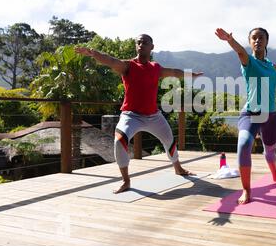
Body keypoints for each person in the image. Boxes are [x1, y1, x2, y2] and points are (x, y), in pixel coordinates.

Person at [75, 34, 203, 194]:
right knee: (119, 141)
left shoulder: (155, 68)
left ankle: (178, 168)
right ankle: (126, 181)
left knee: (169, 140)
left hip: (154, 116)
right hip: (131, 116)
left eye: (145, 42)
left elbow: (173, 72)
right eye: (138, 42)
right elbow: (111, 60)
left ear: (152, 47)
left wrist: (191, 75)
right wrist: (95, 54)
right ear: (136, 46)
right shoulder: (128, 66)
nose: (141, 45)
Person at [215, 27, 276, 204]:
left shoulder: (270, 64)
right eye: (254, 38)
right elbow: (240, 51)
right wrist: (229, 40)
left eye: (261, 38)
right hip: (251, 113)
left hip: (271, 115)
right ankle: (246, 190)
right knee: (244, 145)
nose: (257, 40)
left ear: (266, 41)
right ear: (250, 42)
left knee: (271, 149)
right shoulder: (248, 61)